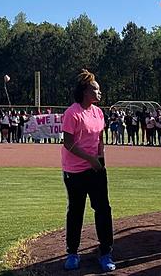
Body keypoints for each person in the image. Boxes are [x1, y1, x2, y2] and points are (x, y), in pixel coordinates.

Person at [60, 69, 115, 273]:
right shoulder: (72, 113)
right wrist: (90, 159)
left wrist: (100, 159)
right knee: (76, 210)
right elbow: (68, 142)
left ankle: (106, 252)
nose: (99, 92)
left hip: (96, 169)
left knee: (103, 209)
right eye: (96, 89)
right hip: (75, 171)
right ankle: (72, 252)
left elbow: (100, 138)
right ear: (85, 91)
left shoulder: (98, 112)